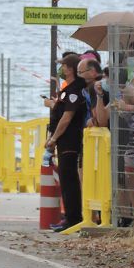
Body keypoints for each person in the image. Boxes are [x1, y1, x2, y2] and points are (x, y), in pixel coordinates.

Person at [45, 54, 86, 232]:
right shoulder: (68, 90)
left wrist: (53, 139)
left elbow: (67, 117)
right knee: (65, 178)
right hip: (64, 139)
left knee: (69, 179)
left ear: (70, 69)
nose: (62, 70)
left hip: (69, 140)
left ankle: (73, 218)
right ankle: (70, 216)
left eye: (63, 66)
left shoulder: (74, 91)